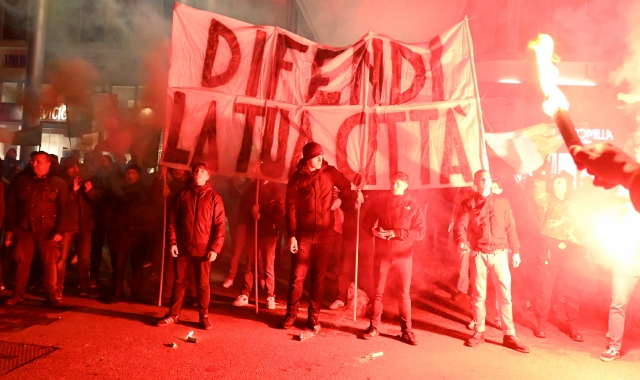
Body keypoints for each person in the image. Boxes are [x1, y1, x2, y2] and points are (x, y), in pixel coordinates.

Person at [281, 142, 362, 331]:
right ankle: (291, 314)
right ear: (308, 159)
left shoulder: (330, 172)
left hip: (325, 235)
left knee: (319, 277)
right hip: (303, 235)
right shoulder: (296, 179)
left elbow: (347, 188)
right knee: (297, 277)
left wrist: (341, 200)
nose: (320, 159)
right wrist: (291, 235)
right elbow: (290, 208)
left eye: (321, 155)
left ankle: (313, 316)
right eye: (316, 157)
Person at [454, 169, 529, 353]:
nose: (485, 181)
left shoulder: (502, 202)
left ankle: (509, 334)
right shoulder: (468, 203)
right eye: (481, 179)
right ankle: (479, 332)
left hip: (499, 254)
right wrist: (462, 242)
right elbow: (460, 226)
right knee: (478, 295)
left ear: (490, 180)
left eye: (487, 178)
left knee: (505, 295)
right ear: (475, 183)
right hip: (478, 254)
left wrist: (516, 251)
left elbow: (511, 227)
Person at [157, 162, 225, 330]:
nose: (199, 174)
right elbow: (172, 221)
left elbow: (219, 226)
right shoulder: (182, 195)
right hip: (183, 246)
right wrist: (173, 242)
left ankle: (204, 316)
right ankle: (173, 314)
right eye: (196, 171)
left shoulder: (214, 198)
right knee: (179, 281)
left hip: (203, 248)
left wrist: (215, 248)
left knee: (203, 284)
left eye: (203, 171)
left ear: (208, 176)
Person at [361, 172, 425, 345]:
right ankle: (374, 326)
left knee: (403, 294)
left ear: (405, 186)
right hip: (382, 256)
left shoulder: (414, 207)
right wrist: (373, 231)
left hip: (404, 257)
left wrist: (396, 233)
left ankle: (407, 331)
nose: (394, 186)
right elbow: (366, 224)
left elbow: (420, 232)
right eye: (392, 182)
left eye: (398, 183)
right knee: (378, 293)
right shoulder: (380, 203)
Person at [4, 151, 70, 306]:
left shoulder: (58, 184)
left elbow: (65, 210)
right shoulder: (21, 182)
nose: (34, 164)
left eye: (38, 161)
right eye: (32, 161)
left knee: (49, 263)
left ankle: (50, 294)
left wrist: (59, 231)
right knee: (22, 262)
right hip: (24, 229)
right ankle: (18, 293)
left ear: (48, 164)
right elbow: (12, 207)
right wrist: (10, 229)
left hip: (48, 230)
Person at [530, 157, 585, 342]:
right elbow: (538, 188)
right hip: (551, 248)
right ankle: (540, 324)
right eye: (555, 182)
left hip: (570, 252)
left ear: (567, 185)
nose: (557, 185)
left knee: (571, 290)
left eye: (561, 182)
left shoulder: (576, 205)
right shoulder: (547, 201)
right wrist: (544, 168)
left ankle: (572, 326)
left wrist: (579, 248)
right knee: (546, 289)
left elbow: (583, 229)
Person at [231, 179, 285, 310]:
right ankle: (245, 293)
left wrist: (261, 215)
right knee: (249, 264)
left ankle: (270, 295)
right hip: (252, 231)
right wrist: (251, 209)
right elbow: (242, 207)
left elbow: (280, 213)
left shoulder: (276, 189)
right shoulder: (252, 188)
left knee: (268, 266)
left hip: (269, 233)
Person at [106, 164, 151, 303]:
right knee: (118, 266)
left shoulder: (144, 191)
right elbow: (110, 211)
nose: (130, 176)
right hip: (120, 233)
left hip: (138, 233)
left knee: (137, 266)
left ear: (138, 175)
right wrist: (113, 228)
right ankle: (117, 292)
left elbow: (149, 211)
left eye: (133, 173)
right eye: (128, 173)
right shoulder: (117, 191)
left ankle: (136, 293)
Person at [56, 157, 98, 299]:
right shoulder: (61, 183)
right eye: (71, 167)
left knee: (84, 258)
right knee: (62, 258)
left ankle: (84, 286)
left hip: (84, 226)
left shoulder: (86, 181)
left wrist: (90, 192)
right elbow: (62, 204)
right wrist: (73, 191)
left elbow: (97, 201)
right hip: (68, 226)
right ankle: (58, 287)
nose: (75, 169)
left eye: (76, 166)